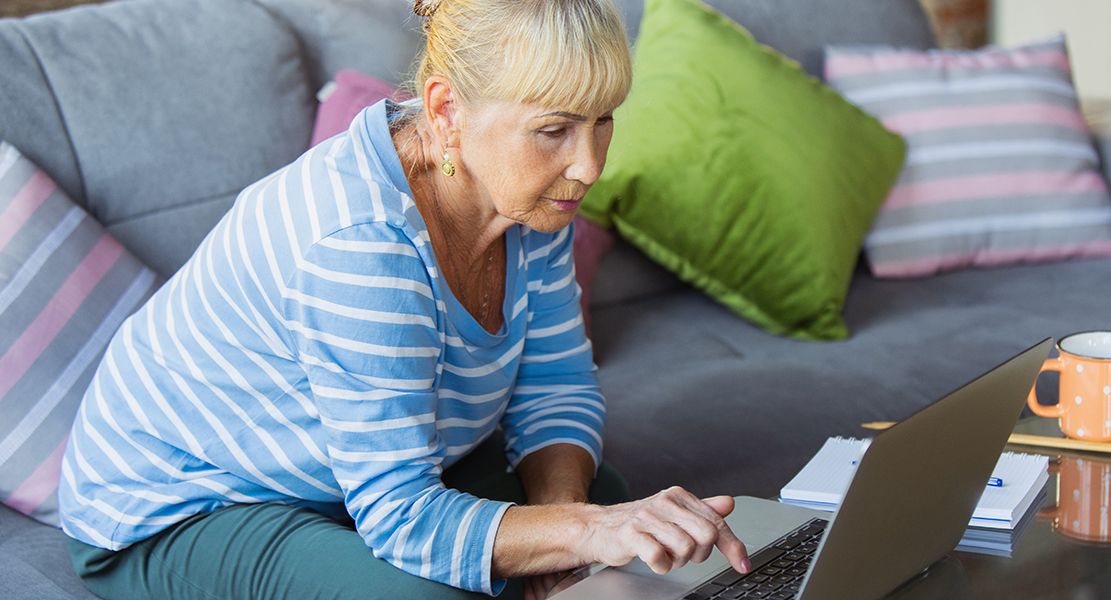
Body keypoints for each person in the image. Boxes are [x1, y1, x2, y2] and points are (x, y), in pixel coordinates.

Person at [57, 0, 750, 597]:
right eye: (554, 129)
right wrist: (579, 534)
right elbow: (402, 519)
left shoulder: (532, 198)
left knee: (605, 500)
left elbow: (555, 387)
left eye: (603, 121)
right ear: (447, 110)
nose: (589, 165)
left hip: (359, 473)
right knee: (433, 590)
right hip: (190, 504)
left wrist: (569, 536)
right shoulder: (361, 244)